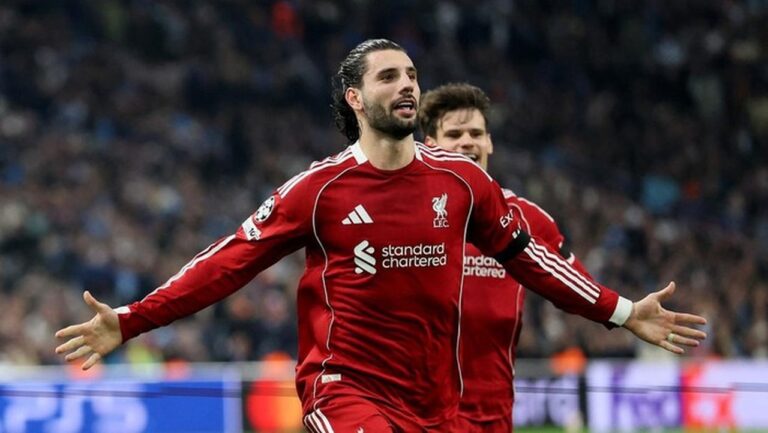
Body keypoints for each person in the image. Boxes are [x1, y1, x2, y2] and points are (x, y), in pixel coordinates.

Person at [56, 39, 707, 433]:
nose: (407, 84)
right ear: (353, 100)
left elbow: (531, 260)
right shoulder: (318, 192)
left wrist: (622, 312)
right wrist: (132, 320)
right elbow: (228, 262)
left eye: (411, 74)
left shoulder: (461, 185)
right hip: (346, 390)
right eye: (389, 76)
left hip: (438, 403)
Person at [419, 82, 594, 432]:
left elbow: (581, 290)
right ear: (431, 146)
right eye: (455, 133)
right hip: (418, 418)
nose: (467, 141)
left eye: (476, 133)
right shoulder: (406, 215)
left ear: (489, 143)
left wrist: (628, 313)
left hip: (492, 423)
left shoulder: (528, 219)